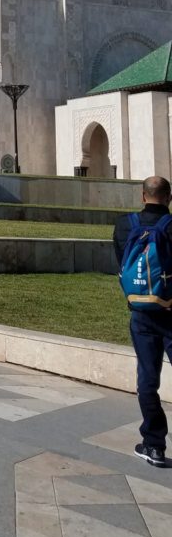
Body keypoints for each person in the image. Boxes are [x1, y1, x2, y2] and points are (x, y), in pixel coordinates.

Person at [114, 175, 172, 467]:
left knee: (148, 381)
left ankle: (154, 445)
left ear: (142, 196)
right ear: (169, 198)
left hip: (141, 312)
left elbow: (120, 262)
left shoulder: (126, 225)